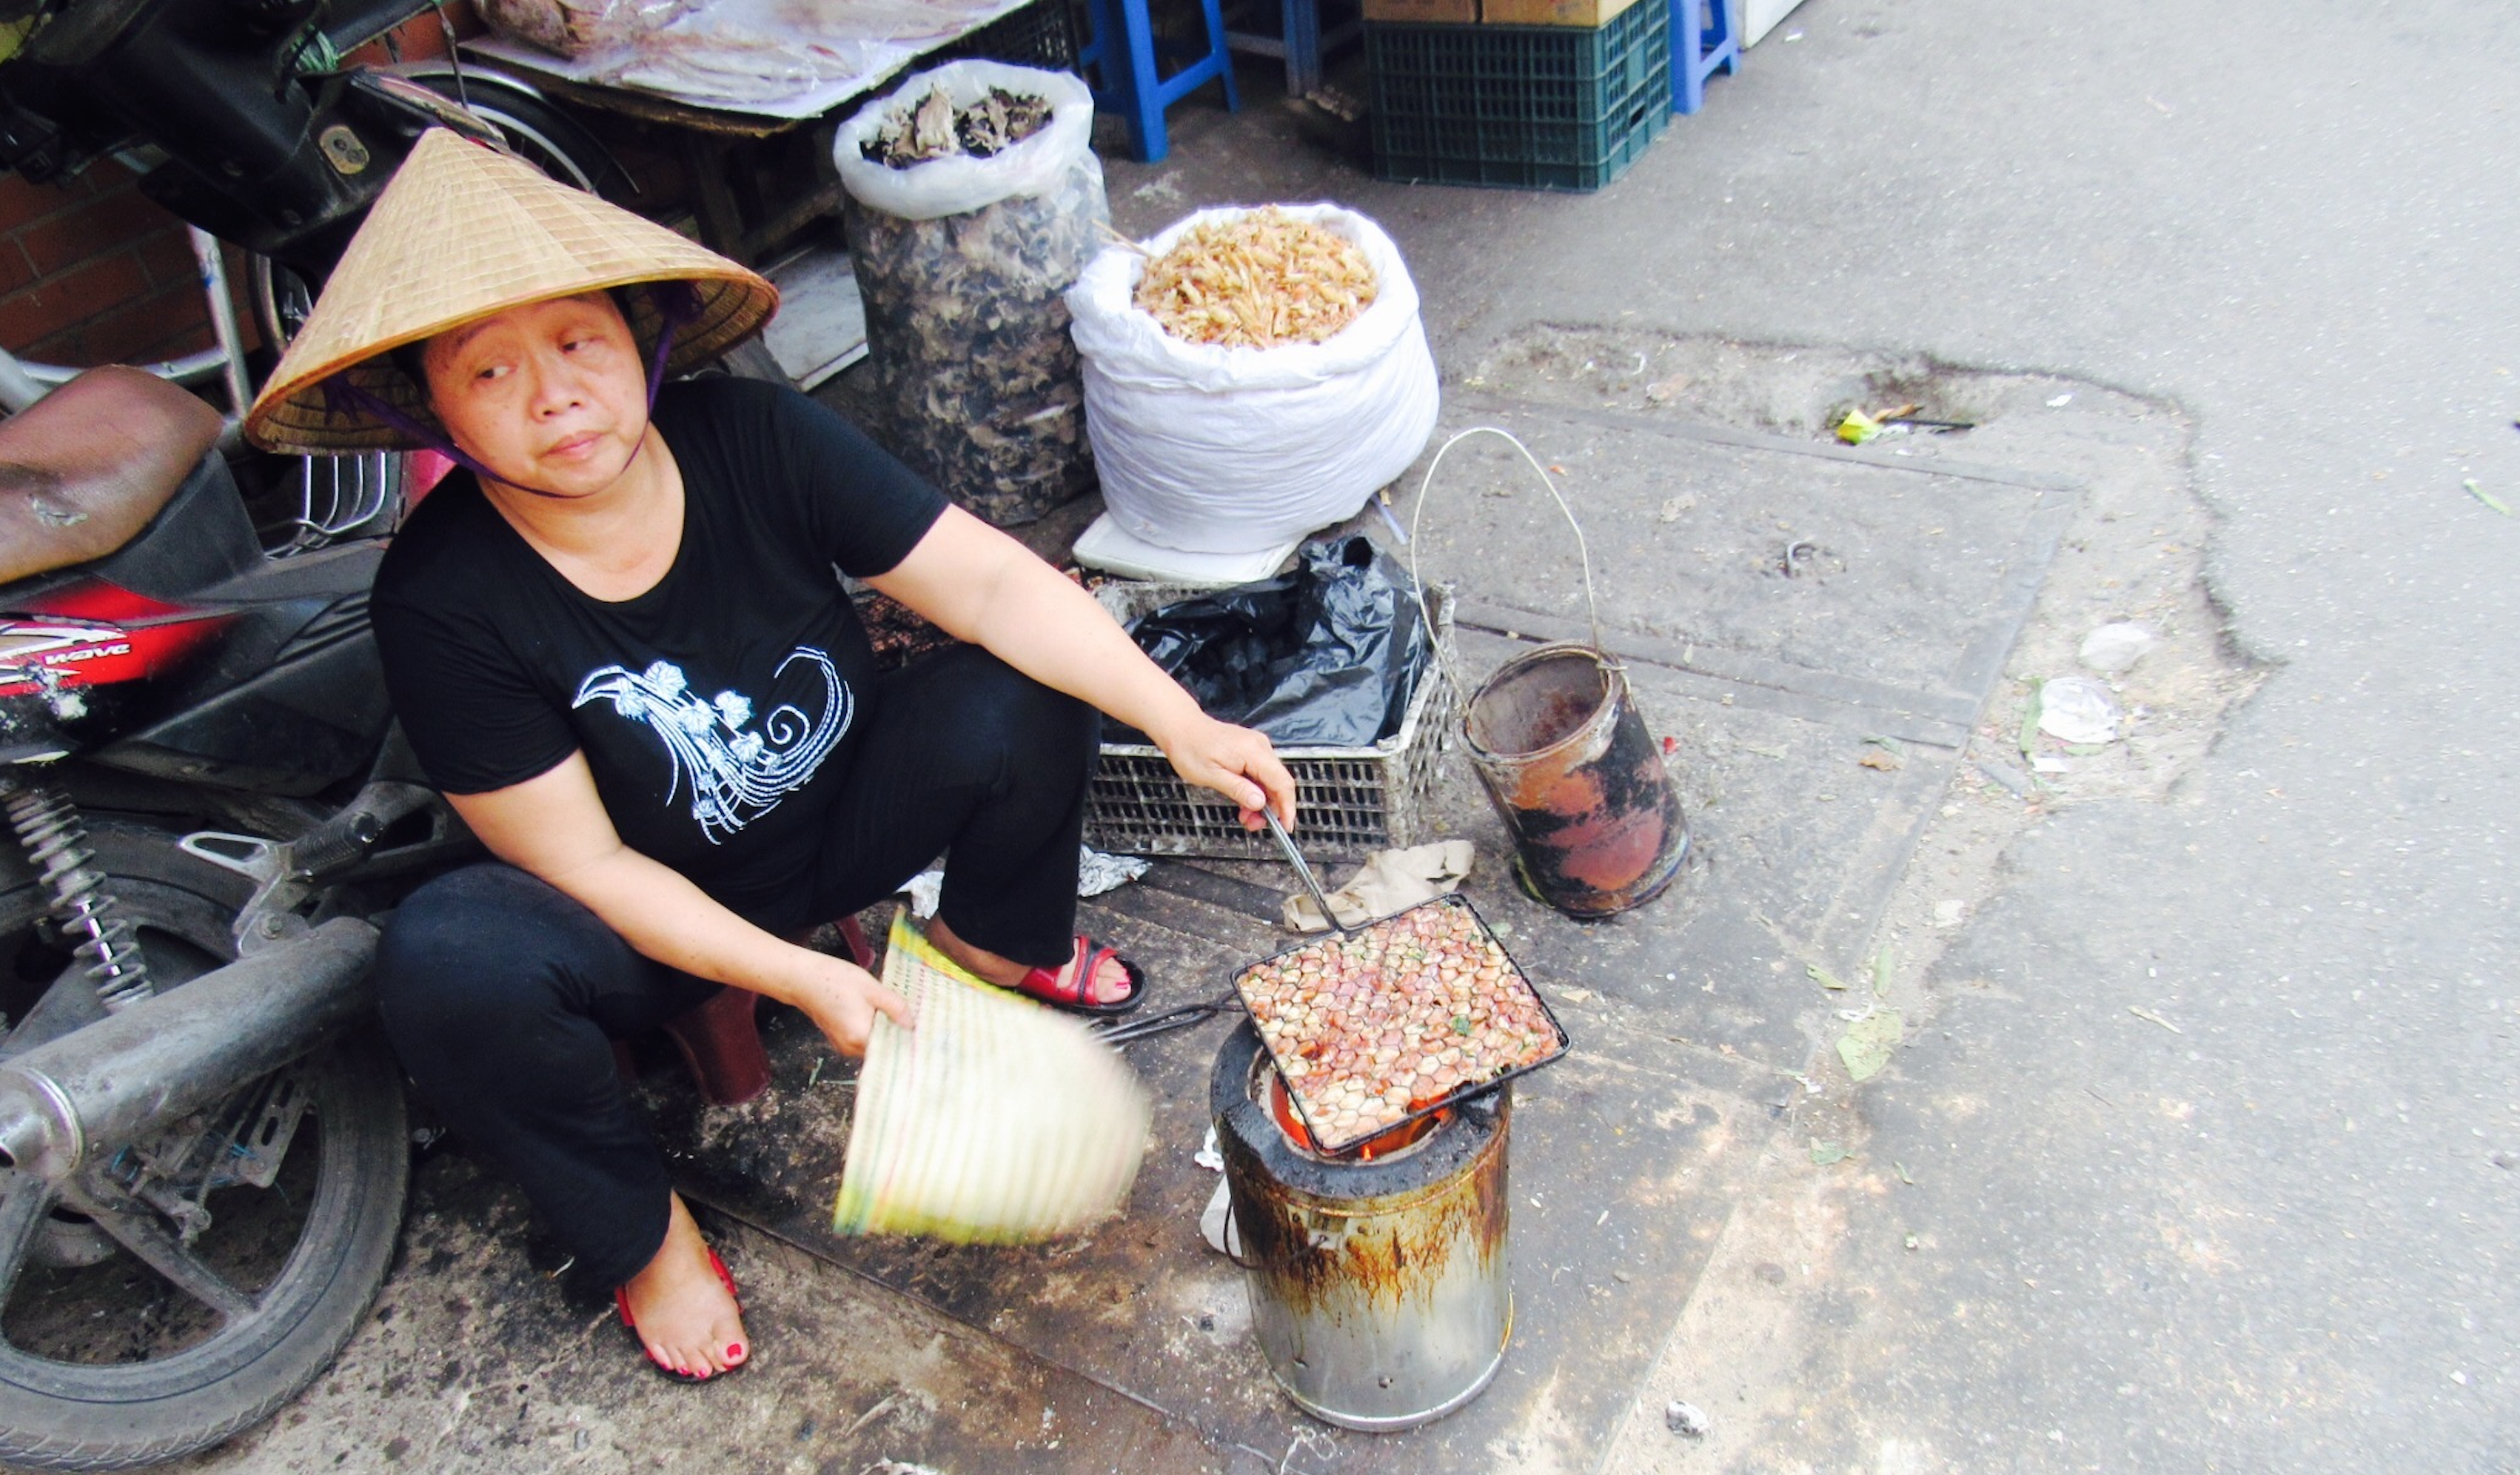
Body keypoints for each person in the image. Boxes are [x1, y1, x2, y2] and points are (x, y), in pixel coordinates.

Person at [244, 130, 1296, 1384]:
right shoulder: (440, 595)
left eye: (579, 342)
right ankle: (645, 1238)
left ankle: (982, 955)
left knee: (1023, 681)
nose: (554, 395)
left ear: (639, 341)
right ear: (435, 403)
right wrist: (797, 981)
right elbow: (584, 863)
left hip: (840, 813)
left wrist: (1182, 720)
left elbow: (994, 584)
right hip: (640, 915)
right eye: (491, 369)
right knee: (449, 963)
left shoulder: (753, 436)